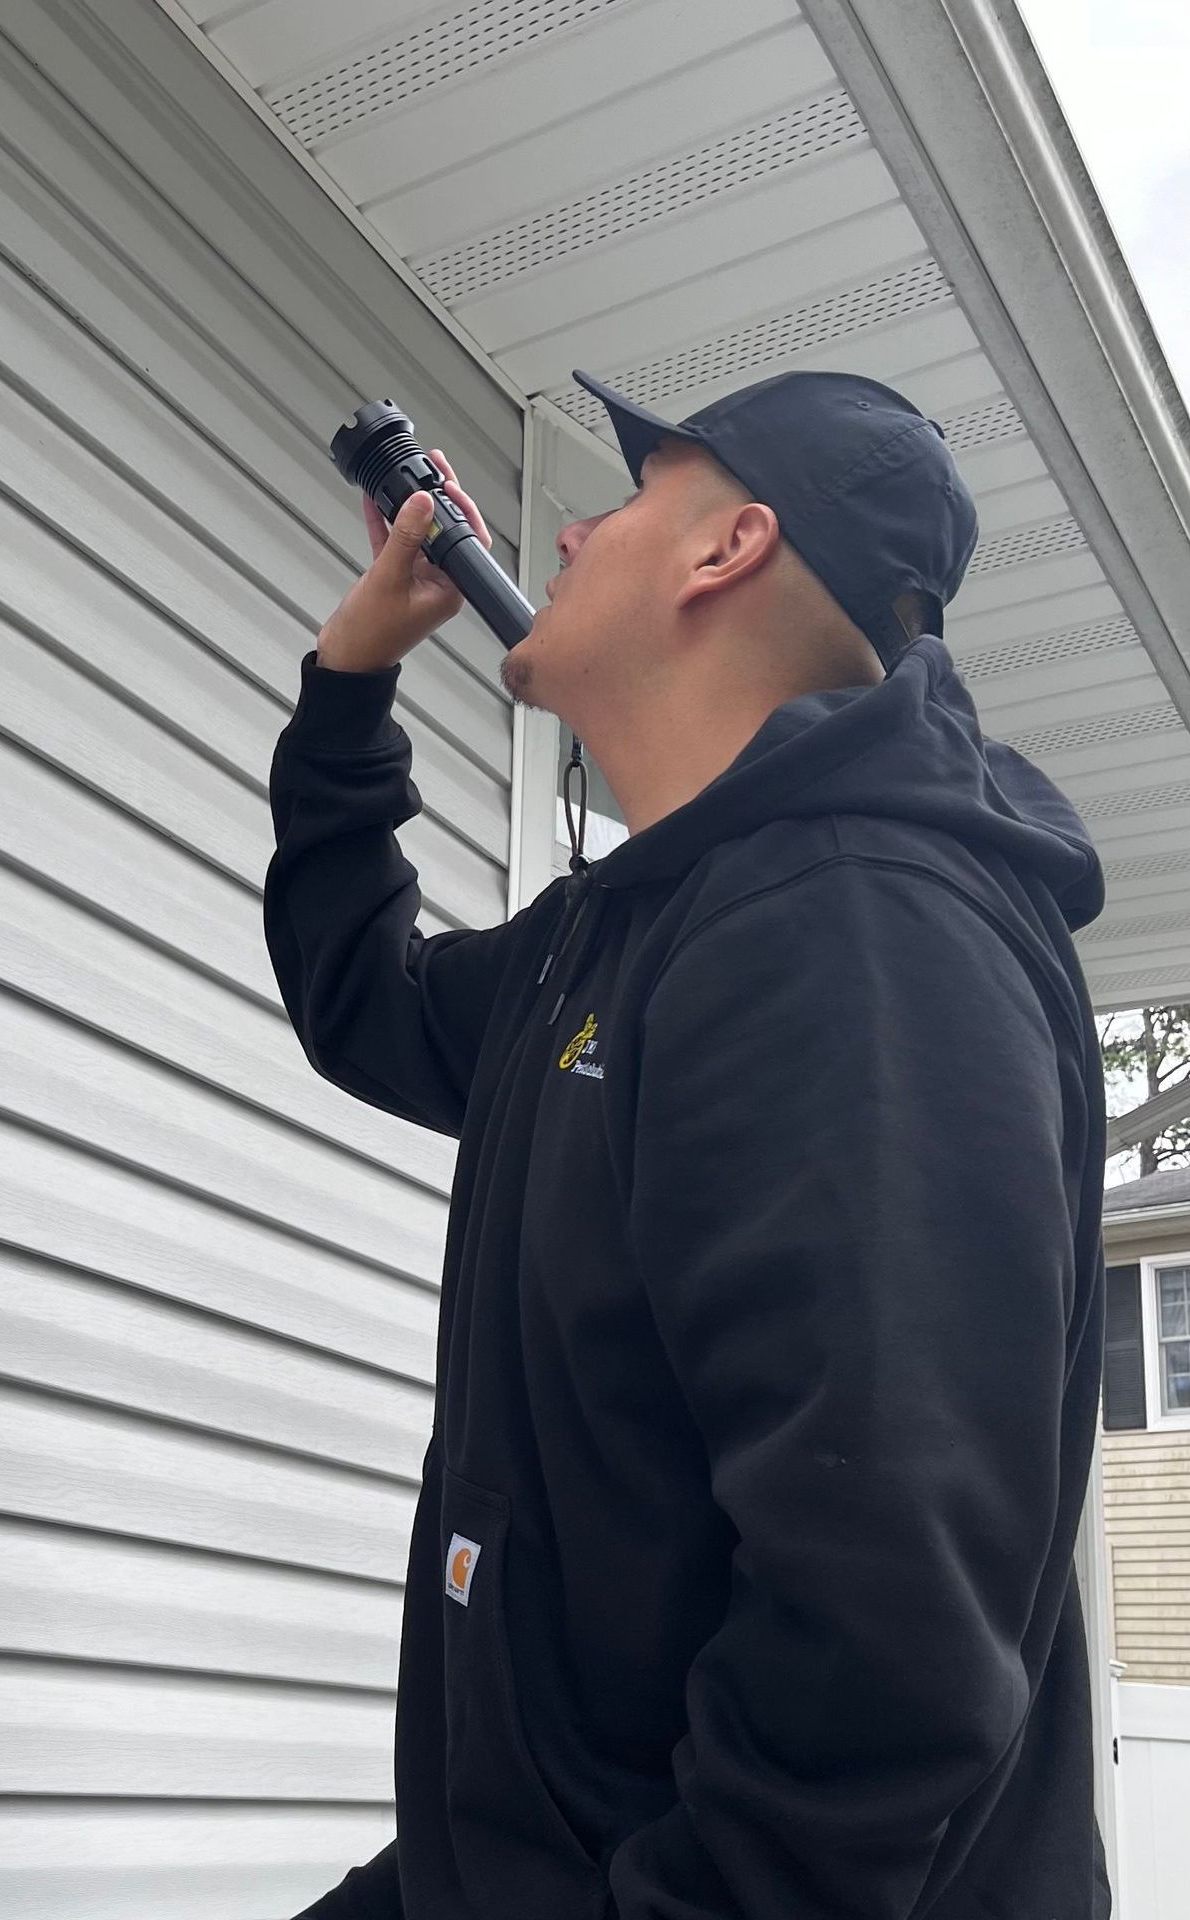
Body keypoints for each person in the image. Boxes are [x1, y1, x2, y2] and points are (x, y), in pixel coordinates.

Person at [264, 368, 1111, 1919]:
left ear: (729, 554)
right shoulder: (623, 939)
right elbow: (365, 1002)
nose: (571, 528)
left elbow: (885, 1643)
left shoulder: (862, 932)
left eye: (634, 499)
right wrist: (347, 684)